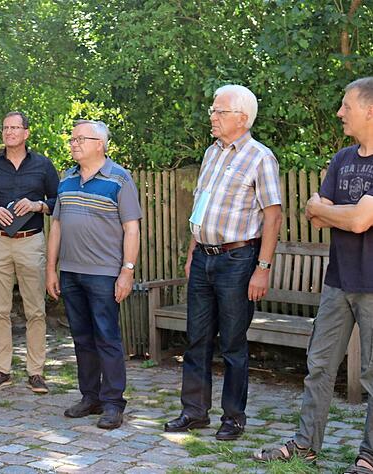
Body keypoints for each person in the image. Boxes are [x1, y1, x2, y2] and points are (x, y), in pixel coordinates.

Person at [254, 77, 373, 473]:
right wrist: (344, 213)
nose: (340, 113)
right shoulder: (342, 160)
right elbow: (311, 210)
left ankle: (368, 456)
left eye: (347, 106)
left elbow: (357, 221)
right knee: (319, 365)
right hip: (337, 282)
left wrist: (339, 212)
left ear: (369, 110)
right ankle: (305, 446)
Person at [165, 84, 282, 441]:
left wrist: (262, 268)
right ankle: (194, 412)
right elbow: (201, 207)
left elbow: (273, 216)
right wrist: (191, 253)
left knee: (232, 342)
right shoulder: (211, 153)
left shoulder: (261, 157)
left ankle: (233, 417)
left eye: (219, 111)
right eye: (213, 111)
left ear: (242, 119)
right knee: (196, 339)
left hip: (238, 259)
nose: (212, 117)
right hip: (204, 258)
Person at [46, 120, 141, 429]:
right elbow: (56, 227)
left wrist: (127, 271)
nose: (73, 144)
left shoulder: (119, 178)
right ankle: (91, 397)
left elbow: (131, 228)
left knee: (107, 338)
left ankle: (114, 403)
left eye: (80, 139)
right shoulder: (66, 180)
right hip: (71, 273)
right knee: (82, 339)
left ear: (99, 143)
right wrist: (51, 269)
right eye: (72, 139)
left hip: (104, 274)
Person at [0, 111, 59, 394]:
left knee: (35, 310)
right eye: (5, 128)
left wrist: (37, 206)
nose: (9, 132)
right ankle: (2, 370)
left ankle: (36, 371)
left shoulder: (43, 165)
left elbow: (57, 201)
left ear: (26, 133)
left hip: (31, 241)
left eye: (15, 127)